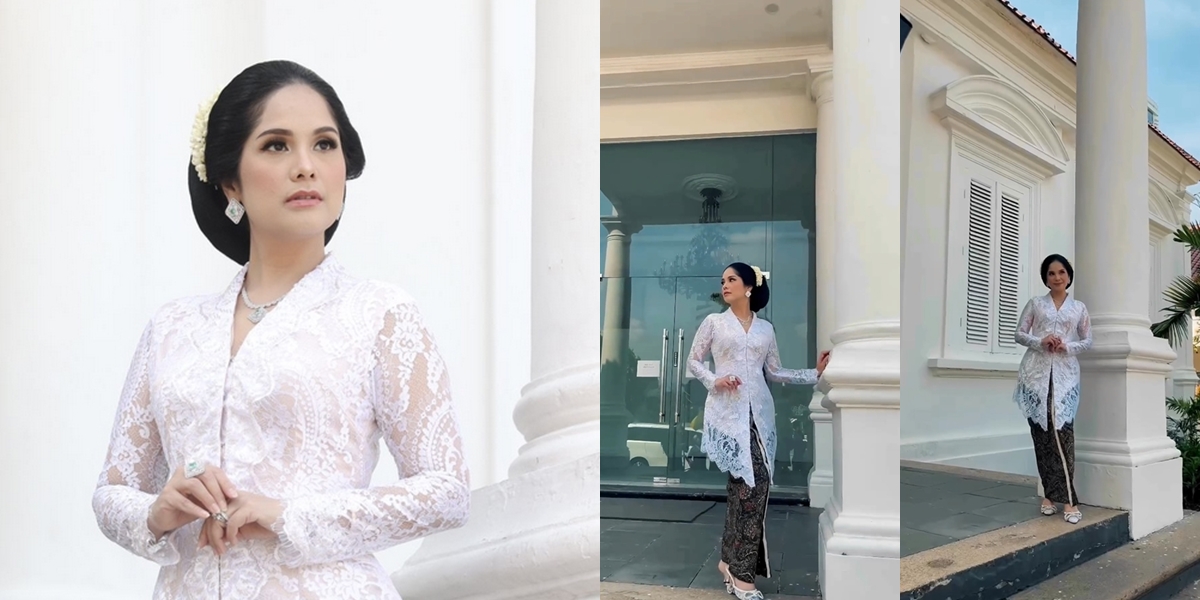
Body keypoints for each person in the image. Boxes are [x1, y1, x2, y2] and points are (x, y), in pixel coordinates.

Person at [91, 60, 470, 599]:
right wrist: (157, 512)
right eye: (275, 145)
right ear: (229, 180)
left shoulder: (380, 314)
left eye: (324, 144)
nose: (305, 166)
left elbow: (446, 491)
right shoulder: (171, 328)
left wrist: (289, 515)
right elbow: (112, 492)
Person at [686, 262, 831, 600]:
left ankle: (728, 560)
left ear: (749, 286)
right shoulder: (714, 323)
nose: (725, 285)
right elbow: (694, 361)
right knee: (749, 488)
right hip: (727, 415)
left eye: (732, 279)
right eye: (722, 280)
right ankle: (741, 573)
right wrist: (714, 379)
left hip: (760, 418)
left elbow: (776, 372)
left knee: (748, 489)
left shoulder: (766, 329)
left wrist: (816, 373)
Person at [1013, 254, 1092, 525]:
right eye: (1051, 273)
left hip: (1065, 377)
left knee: (1063, 436)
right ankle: (1049, 495)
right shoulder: (1036, 304)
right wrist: (1041, 340)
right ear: (1045, 278)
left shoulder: (1079, 308)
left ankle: (1069, 500)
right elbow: (1020, 333)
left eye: (1061, 272)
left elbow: (1087, 340)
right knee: (1042, 437)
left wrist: (1066, 346)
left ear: (1069, 275)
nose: (1057, 277)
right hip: (1036, 376)